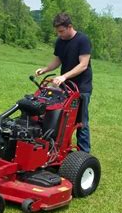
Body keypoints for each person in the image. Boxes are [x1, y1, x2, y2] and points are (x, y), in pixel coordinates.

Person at [35, 13, 93, 153]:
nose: (59, 34)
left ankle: (83, 155)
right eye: (57, 32)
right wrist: (45, 69)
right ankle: (57, 148)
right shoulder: (60, 41)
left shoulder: (83, 40)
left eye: (61, 31)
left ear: (70, 27)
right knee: (59, 117)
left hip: (81, 88)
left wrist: (64, 76)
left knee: (80, 122)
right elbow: (58, 60)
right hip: (65, 87)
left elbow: (83, 65)